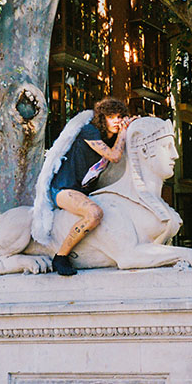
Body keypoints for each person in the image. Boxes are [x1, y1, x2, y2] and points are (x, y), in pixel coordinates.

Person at [46, 98, 132, 276]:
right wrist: (124, 131)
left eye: (120, 117)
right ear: (102, 118)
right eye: (111, 117)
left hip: (83, 190)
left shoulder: (113, 139)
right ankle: (61, 257)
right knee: (94, 213)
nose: (117, 121)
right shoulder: (90, 131)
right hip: (63, 188)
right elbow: (114, 156)